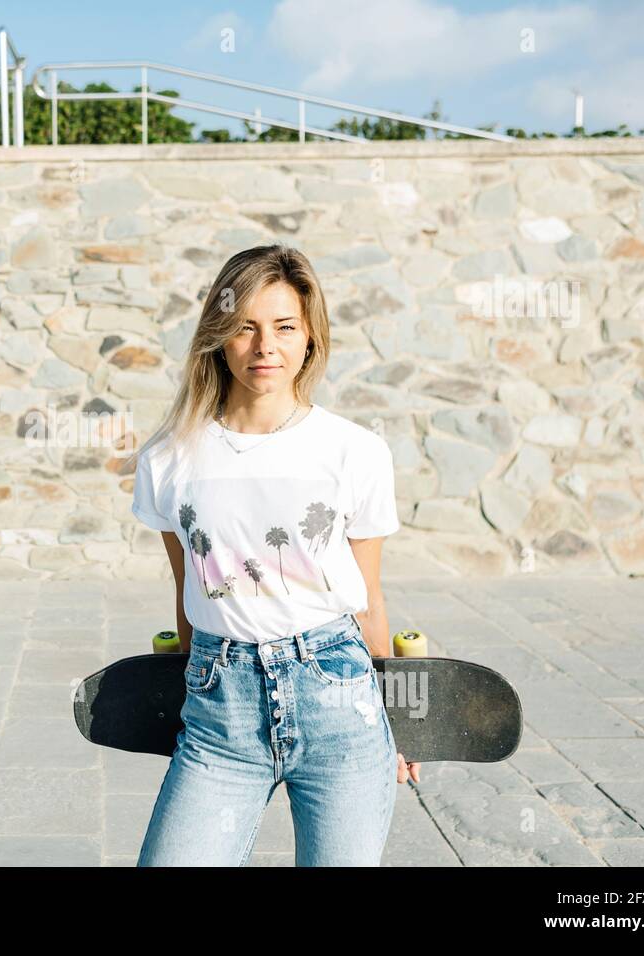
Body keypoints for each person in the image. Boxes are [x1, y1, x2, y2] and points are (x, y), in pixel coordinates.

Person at [130, 243, 420, 867]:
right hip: (219, 714)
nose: (266, 346)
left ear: (310, 336)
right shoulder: (168, 459)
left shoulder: (354, 451)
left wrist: (400, 719)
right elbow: (189, 594)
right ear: (219, 336)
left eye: (285, 327)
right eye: (245, 327)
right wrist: (184, 692)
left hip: (340, 703)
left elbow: (368, 598)